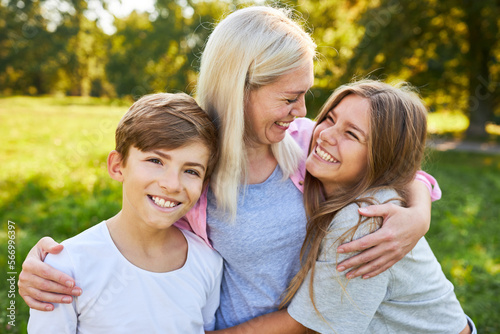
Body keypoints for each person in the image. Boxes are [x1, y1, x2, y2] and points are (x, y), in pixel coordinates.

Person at [19, 6, 439, 330]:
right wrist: (52, 262)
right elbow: (141, 223)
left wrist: (418, 215)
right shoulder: (193, 163)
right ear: (241, 87)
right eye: (290, 97)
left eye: (306, 95)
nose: (303, 110)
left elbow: (393, 168)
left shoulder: (302, 140)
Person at [283, 80, 474, 333]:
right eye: (329, 118)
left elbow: (312, 328)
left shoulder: (367, 217)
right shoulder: (301, 141)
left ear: (382, 159)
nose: (326, 135)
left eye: (351, 134)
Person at [27, 93, 223, 333]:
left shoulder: (208, 262)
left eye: (191, 171)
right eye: (155, 160)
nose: (172, 185)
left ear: (204, 184)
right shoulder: (65, 268)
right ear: (118, 166)